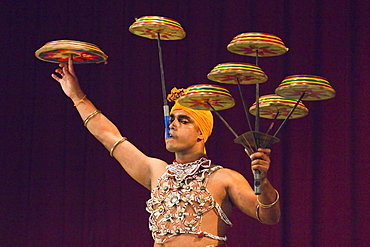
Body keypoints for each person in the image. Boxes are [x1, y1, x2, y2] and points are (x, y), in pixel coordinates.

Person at [51, 56, 280, 247]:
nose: (172, 125)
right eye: (171, 119)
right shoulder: (156, 171)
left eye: (184, 120)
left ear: (201, 133)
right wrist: (76, 95)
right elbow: (108, 135)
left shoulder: (223, 178)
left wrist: (264, 180)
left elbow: (269, 216)